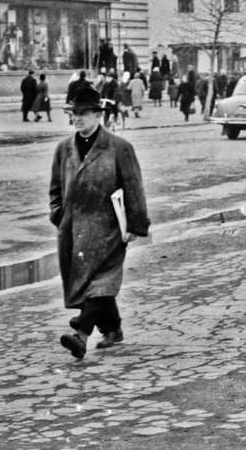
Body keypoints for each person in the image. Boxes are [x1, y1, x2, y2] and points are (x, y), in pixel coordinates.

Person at [50, 85, 150, 360]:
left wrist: (135, 226)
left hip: (109, 227)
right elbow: (56, 188)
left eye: (83, 113)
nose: (77, 118)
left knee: (101, 281)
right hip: (74, 229)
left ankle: (81, 335)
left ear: (98, 115)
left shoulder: (119, 148)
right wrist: (58, 215)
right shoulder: (64, 149)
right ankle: (113, 328)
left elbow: (134, 187)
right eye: (73, 113)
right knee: (94, 284)